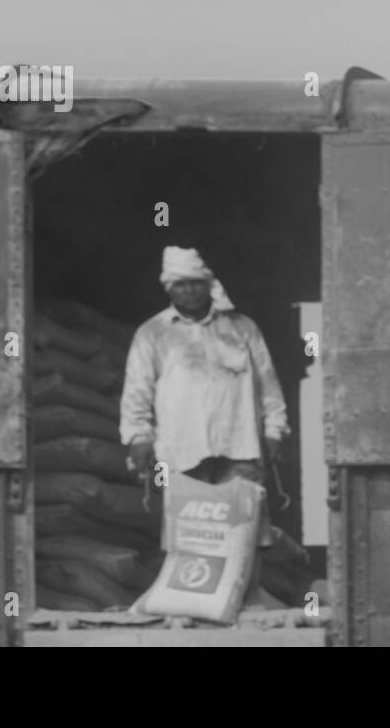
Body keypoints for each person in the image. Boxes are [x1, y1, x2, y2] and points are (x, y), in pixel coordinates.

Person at [120, 245, 291, 602]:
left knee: (247, 528)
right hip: (182, 449)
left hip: (240, 443)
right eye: (181, 285)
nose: (189, 291)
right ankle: (193, 605)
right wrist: (138, 436)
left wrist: (275, 429)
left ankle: (246, 601)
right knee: (186, 530)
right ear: (169, 288)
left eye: (196, 283)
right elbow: (137, 390)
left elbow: (268, 384)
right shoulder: (152, 333)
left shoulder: (242, 328)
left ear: (208, 284)